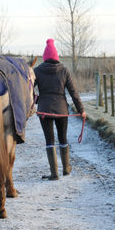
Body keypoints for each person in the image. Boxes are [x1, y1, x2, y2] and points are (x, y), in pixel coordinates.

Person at [34, 38, 86, 180]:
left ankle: (54, 173)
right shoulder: (64, 70)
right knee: (63, 137)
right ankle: (66, 168)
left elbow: (27, 89)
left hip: (44, 110)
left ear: (45, 57)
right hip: (62, 110)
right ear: (56, 56)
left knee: (49, 140)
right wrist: (81, 110)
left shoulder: (37, 71)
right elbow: (73, 92)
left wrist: (36, 99)